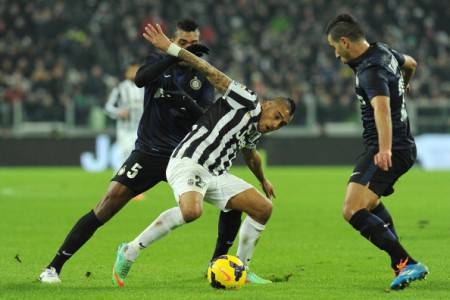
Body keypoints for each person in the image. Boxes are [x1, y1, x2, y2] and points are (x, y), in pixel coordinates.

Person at [39, 19, 243, 284]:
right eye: (183, 43)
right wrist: (172, 54)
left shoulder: (202, 75)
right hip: (150, 152)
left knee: (235, 200)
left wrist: (183, 101)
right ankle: (53, 267)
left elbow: (205, 118)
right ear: (172, 41)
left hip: (187, 157)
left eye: (193, 44)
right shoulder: (158, 61)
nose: (189, 48)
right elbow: (140, 79)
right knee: (106, 205)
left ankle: (217, 264)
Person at [111, 23, 296, 287]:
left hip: (215, 173)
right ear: (267, 105)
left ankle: (241, 269)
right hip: (189, 161)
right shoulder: (249, 100)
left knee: (263, 208)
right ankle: (130, 249)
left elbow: (250, 153)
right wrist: (172, 49)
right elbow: (213, 74)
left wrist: (263, 179)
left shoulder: (257, 128)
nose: (276, 124)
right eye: (277, 116)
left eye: (283, 124)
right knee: (192, 211)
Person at [325, 14, 428, 290]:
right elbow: (412, 63)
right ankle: (402, 265)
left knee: (351, 209)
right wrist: (406, 82)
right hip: (403, 144)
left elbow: (381, 108)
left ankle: (406, 262)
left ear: (345, 42)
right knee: (368, 204)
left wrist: (383, 149)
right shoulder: (384, 51)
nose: (335, 55)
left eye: (335, 47)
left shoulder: (370, 70)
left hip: (387, 146)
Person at [105, 64, 144, 172]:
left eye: (136, 70)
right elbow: (108, 107)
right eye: (132, 70)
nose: (134, 72)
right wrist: (119, 112)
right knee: (126, 153)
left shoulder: (144, 87)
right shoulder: (120, 88)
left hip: (141, 128)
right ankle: (119, 179)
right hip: (125, 129)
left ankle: (132, 181)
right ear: (127, 72)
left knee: (138, 155)